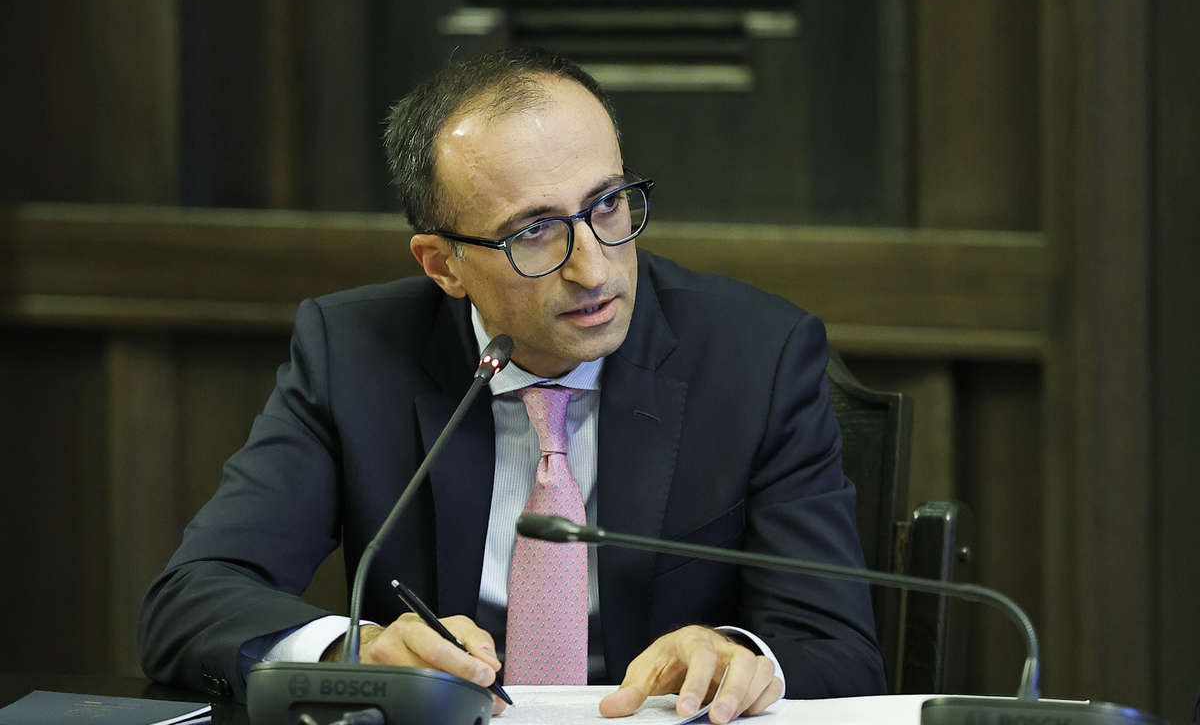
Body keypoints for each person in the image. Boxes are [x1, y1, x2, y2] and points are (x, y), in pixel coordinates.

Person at [138, 47, 886, 723]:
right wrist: (350, 652)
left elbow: (837, 648)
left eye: (607, 204)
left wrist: (739, 657)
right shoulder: (354, 355)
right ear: (443, 265)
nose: (592, 268)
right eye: (533, 231)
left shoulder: (756, 358)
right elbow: (192, 599)